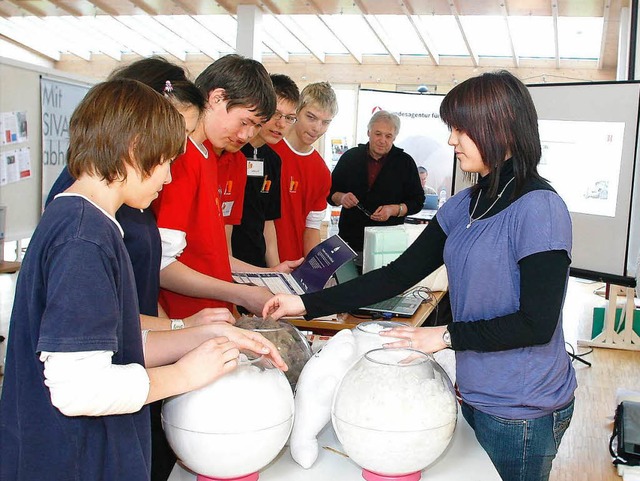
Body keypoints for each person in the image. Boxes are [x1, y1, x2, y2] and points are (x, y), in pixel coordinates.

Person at [263, 70, 577, 481]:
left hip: (523, 410)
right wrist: (305, 303)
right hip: (475, 394)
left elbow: (536, 324)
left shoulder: (540, 209)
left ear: (498, 127)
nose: (452, 141)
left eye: (461, 130)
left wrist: (442, 336)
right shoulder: (464, 205)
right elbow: (397, 275)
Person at [0, 79, 286, 481]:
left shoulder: (89, 224)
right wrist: (185, 375)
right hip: (73, 460)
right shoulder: (82, 240)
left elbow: (114, 341)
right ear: (135, 149)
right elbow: (80, 389)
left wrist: (201, 337)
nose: (168, 178)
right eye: (167, 161)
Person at [152, 54, 300, 321]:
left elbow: (214, 254)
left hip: (211, 316)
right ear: (216, 98)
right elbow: (161, 264)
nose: (246, 136)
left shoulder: (209, 156)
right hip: (183, 319)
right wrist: (239, 294)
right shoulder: (182, 157)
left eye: (255, 127)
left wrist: (260, 279)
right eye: (244, 122)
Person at [328, 110, 425, 255]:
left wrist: (393, 210)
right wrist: (341, 197)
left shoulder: (405, 163)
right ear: (368, 132)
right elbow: (330, 193)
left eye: (388, 136)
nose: (382, 140)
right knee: (348, 279)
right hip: (350, 242)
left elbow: (417, 201)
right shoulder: (350, 157)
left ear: (395, 137)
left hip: (387, 244)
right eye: (378, 134)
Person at [232, 74, 300, 267]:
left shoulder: (273, 160)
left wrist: (274, 271)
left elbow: (267, 222)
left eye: (289, 118)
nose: (281, 124)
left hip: (257, 264)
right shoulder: (231, 151)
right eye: (276, 114)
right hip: (228, 264)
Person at [271, 81, 337, 261]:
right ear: (297, 112)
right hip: (254, 260)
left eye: (325, 122)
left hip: (293, 266)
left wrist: (314, 272)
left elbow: (312, 229)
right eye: (311, 117)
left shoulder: (321, 171)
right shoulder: (268, 149)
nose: (317, 128)